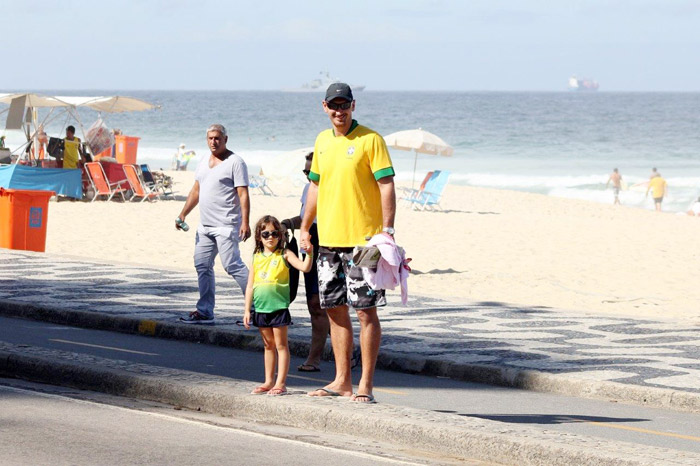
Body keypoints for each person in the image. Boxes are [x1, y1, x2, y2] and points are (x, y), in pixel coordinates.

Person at [300, 83, 396, 403]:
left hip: (364, 243)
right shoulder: (322, 141)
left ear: (353, 106)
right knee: (334, 311)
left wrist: (388, 231)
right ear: (324, 107)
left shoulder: (371, 139)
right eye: (333, 105)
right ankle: (342, 380)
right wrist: (304, 228)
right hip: (328, 240)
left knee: (365, 311)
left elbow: (386, 186)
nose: (339, 111)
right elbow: (314, 187)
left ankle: (365, 384)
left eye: (345, 105)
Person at [176, 124, 251, 324]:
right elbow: (196, 191)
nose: (213, 142)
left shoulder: (235, 162)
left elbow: (243, 194)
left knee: (232, 265)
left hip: (226, 225)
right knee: (202, 265)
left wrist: (245, 222)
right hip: (205, 226)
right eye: (210, 138)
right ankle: (205, 311)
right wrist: (183, 213)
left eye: (217, 138)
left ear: (226, 139)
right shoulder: (203, 161)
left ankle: (257, 309)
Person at [244, 215, 313, 396]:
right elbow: (250, 285)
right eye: (265, 234)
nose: (270, 237)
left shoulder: (285, 254)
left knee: (281, 345)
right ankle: (268, 380)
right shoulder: (256, 257)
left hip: (279, 307)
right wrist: (246, 310)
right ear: (259, 236)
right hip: (260, 307)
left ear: (281, 235)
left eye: (275, 233)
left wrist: (310, 253)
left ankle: (280, 383)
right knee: (268, 345)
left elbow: (305, 267)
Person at [281, 151, 330, 372]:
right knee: (315, 304)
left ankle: (316, 359)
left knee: (321, 305)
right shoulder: (309, 188)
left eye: (313, 171)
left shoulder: (334, 189)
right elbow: (306, 217)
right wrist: (286, 223)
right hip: (309, 241)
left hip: (328, 243)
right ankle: (342, 354)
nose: (309, 175)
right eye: (306, 171)